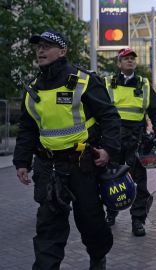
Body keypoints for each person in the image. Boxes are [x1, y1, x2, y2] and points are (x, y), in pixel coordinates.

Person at [13, 29, 121, 270]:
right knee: (48, 228)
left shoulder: (83, 80)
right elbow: (27, 127)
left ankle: (97, 258)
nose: (40, 50)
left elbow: (109, 117)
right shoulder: (33, 88)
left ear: (62, 51)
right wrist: (21, 162)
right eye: (38, 46)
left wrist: (108, 150)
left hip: (82, 165)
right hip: (48, 167)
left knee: (91, 222)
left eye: (47, 46)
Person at [103, 47, 156, 237]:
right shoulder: (107, 83)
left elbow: (155, 110)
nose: (130, 61)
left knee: (140, 184)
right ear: (119, 63)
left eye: (132, 58)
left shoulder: (144, 84)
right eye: (125, 58)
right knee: (110, 179)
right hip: (113, 140)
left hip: (135, 140)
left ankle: (137, 221)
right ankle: (111, 214)